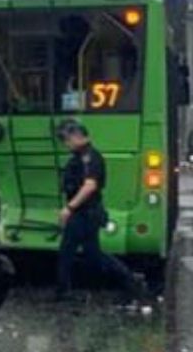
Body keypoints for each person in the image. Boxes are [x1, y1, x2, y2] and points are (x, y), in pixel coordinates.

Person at [56, 121, 141, 303]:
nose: (66, 144)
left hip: (85, 212)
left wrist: (69, 208)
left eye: (67, 140)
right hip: (86, 212)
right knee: (93, 254)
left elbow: (90, 185)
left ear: (77, 136)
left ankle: (63, 291)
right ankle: (130, 280)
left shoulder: (90, 157)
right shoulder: (81, 156)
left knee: (67, 251)